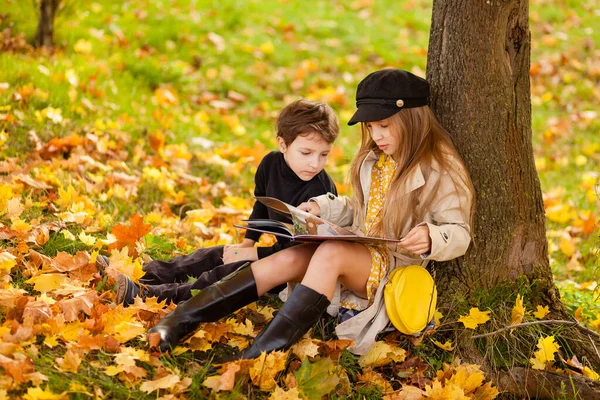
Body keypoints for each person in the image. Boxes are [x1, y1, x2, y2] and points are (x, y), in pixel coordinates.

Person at [147, 68, 475, 360]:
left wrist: (432, 236)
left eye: (385, 126)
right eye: (371, 127)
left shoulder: (440, 167)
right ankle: (180, 320)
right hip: (357, 251)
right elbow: (359, 208)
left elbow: (459, 231)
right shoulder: (375, 160)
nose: (377, 136)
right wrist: (323, 207)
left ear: (412, 117)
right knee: (292, 258)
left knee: (329, 252)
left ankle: (260, 355)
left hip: (393, 267)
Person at [98, 99, 339, 306]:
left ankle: (149, 295)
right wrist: (246, 245)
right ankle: (139, 272)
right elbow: (261, 205)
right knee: (209, 255)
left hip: (293, 271)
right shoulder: (270, 164)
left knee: (223, 272)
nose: (315, 164)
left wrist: (252, 255)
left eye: (324, 155)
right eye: (306, 153)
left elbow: (303, 253)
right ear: (283, 145)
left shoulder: (319, 192)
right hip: (275, 253)